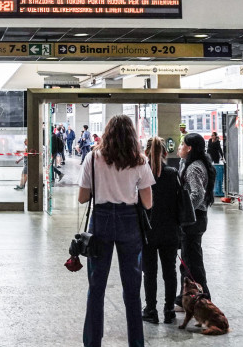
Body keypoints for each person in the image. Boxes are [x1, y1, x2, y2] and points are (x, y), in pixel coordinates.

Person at [79, 114, 154, 347]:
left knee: (96, 286)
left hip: (100, 221)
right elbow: (148, 203)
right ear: (131, 135)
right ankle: (136, 343)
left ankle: (92, 343)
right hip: (129, 221)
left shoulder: (92, 158)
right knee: (132, 290)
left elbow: (82, 198)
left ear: (107, 133)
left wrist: (103, 187)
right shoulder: (140, 161)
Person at [141, 136, 181, 325]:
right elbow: (179, 203)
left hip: (148, 231)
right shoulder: (173, 173)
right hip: (170, 231)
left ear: (145, 152)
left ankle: (151, 310)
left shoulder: (141, 173)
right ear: (166, 153)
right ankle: (169, 311)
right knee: (170, 272)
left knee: (150, 273)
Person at [177, 132, 217, 300]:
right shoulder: (196, 164)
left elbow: (197, 194)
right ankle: (185, 298)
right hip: (197, 218)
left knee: (192, 262)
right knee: (188, 260)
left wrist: (185, 213)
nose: (179, 148)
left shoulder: (193, 168)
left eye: (181, 145)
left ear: (189, 148)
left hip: (193, 220)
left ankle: (202, 297)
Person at [206, 134, 225, 198]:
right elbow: (208, 148)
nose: (212, 136)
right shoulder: (209, 140)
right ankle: (210, 174)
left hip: (215, 155)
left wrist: (222, 156)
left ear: (215, 136)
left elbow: (219, 149)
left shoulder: (217, 142)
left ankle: (214, 173)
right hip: (210, 155)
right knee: (209, 165)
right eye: (211, 135)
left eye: (213, 135)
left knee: (216, 165)